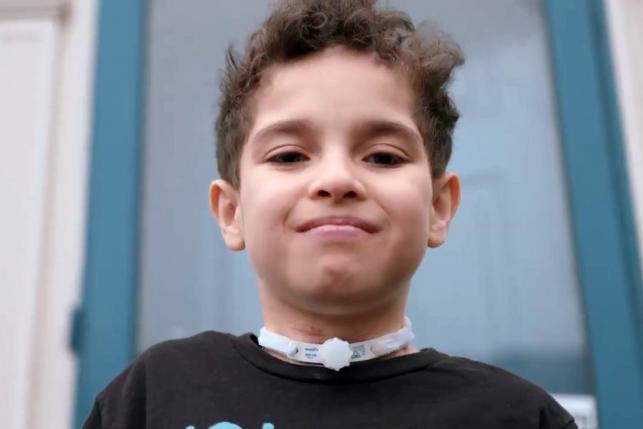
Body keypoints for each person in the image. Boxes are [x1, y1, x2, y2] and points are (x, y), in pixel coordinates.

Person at [83, 1, 577, 428]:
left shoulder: (518, 417)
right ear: (231, 212)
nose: (337, 179)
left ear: (437, 207)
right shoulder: (153, 396)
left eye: (383, 156)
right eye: (290, 156)